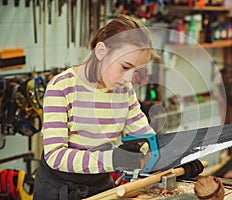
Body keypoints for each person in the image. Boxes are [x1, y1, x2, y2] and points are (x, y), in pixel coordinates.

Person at [33, 14, 203, 200]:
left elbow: (147, 140)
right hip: (58, 190)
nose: (129, 79)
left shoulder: (124, 90)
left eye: (136, 71)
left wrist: (177, 159)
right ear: (101, 51)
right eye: (124, 66)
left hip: (101, 186)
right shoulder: (61, 87)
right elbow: (55, 156)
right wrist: (113, 159)